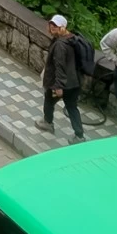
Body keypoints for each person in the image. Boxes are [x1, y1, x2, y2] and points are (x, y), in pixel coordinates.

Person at [35, 15, 85, 143]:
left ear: (62, 27)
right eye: (51, 24)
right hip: (74, 82)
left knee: (50, 99)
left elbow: (60, 66)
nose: (52, 27)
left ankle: (48, 123)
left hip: (62, 84)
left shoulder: (60, 45)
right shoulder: (72, 39)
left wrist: (58, 86)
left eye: (55, 26)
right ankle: (79, 136)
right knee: (72, 107)